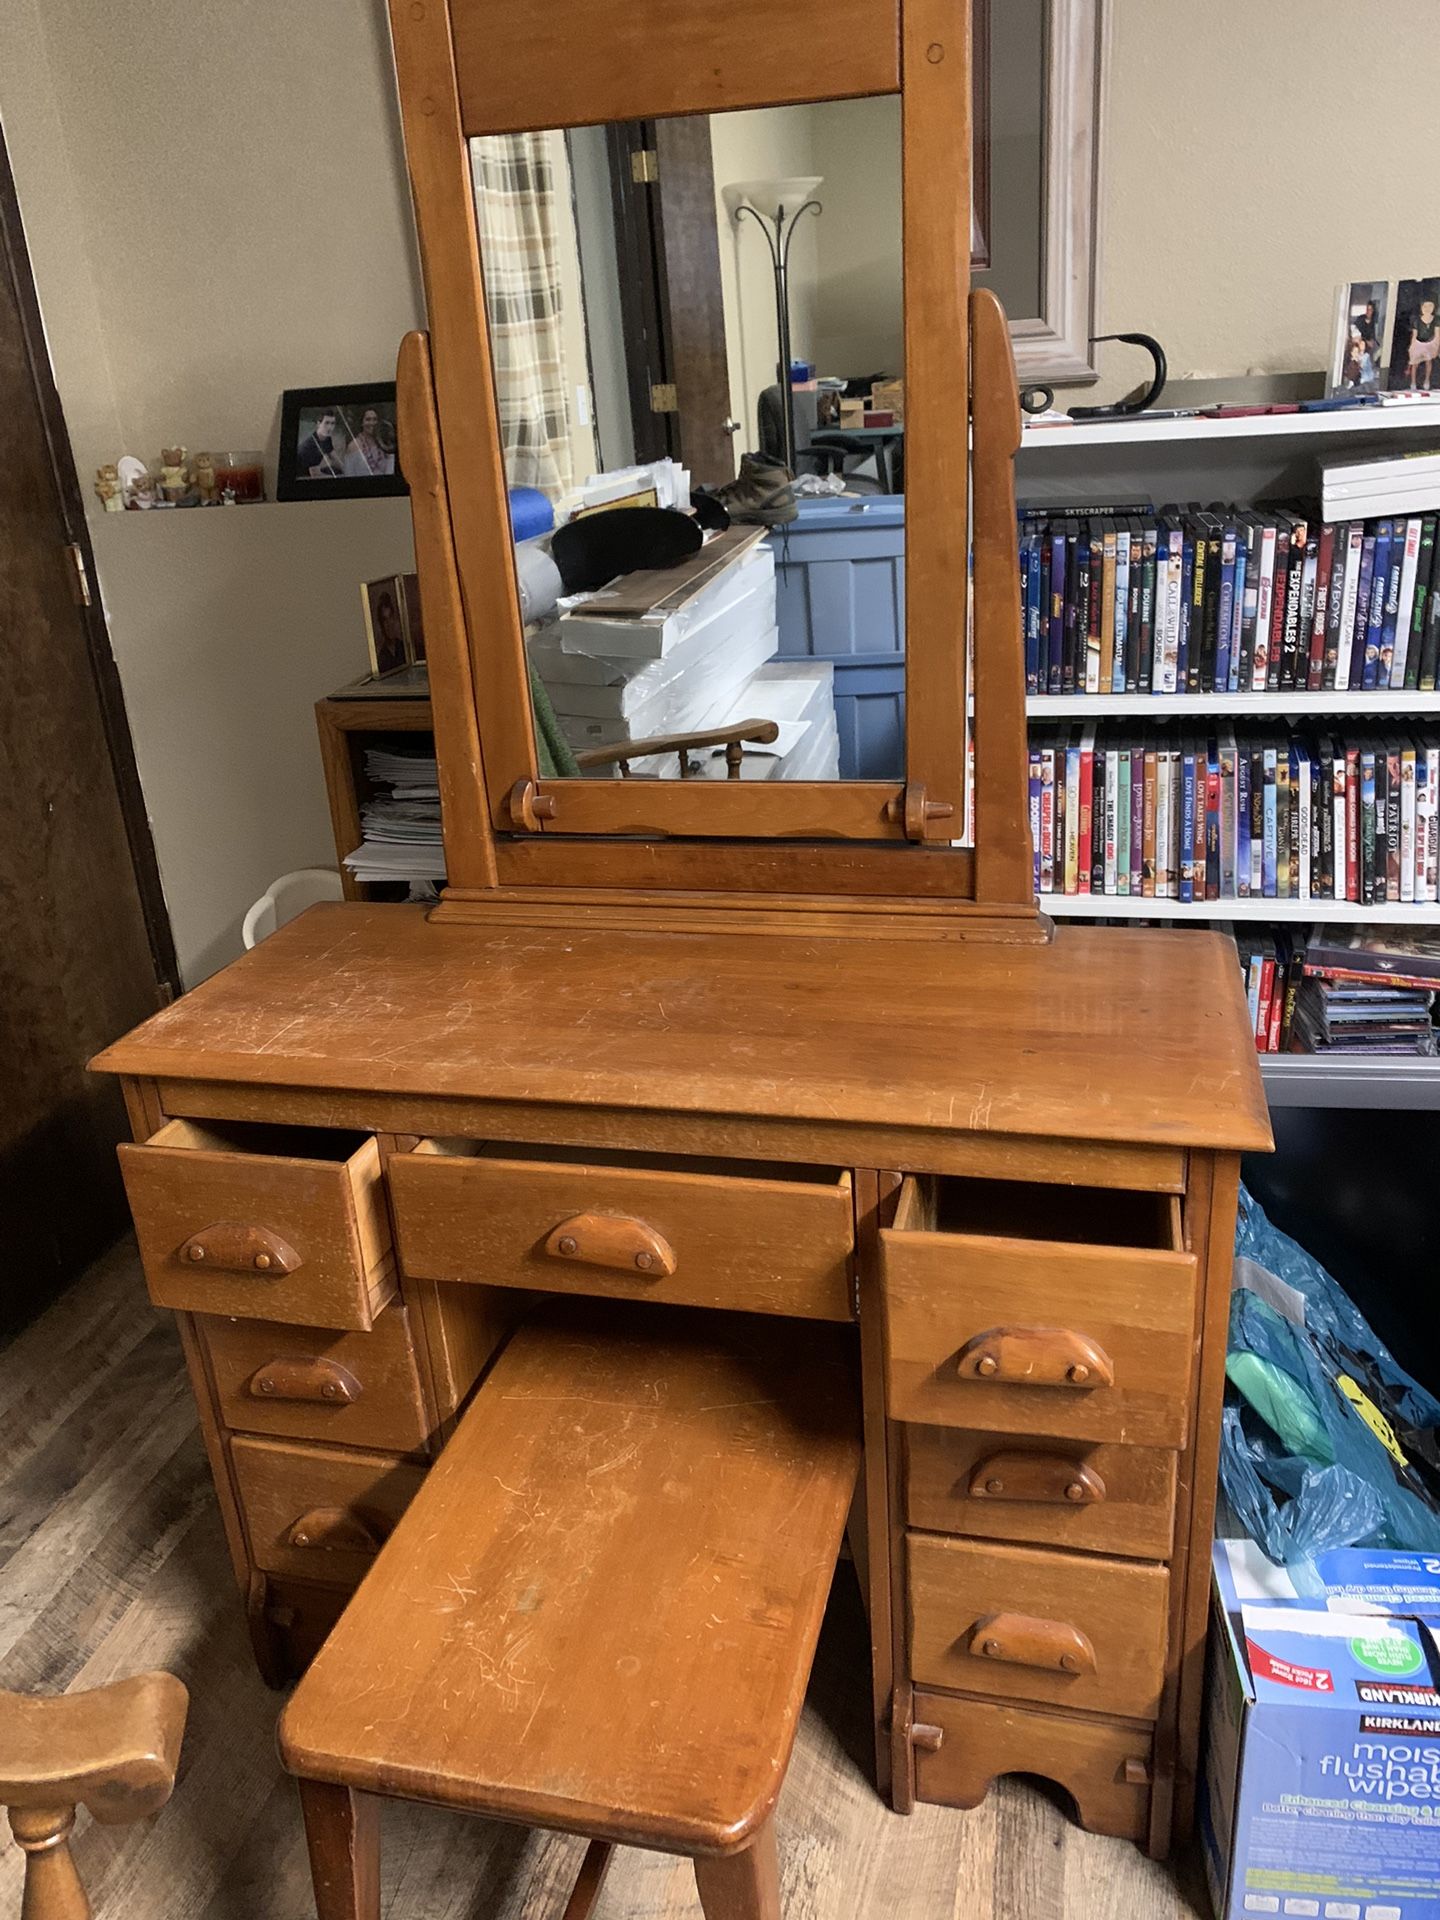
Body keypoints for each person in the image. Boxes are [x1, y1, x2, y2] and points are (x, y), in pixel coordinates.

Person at [342, 406, 396, 477]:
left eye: (375, 419)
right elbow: (349, 474)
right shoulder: (353, 446)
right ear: (362, 423)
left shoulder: (385, 444)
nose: (372, 423)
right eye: (368, 419)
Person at [295, 408, 343, 479]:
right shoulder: (310, 445)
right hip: (301, 476)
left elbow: (335, 458)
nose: (330, 427)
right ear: (319, 424)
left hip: (312, 472)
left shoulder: (326, 438)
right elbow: (315, 474)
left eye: (332, 423)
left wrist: (348, 471)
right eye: (326, 423)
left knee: (338, 470)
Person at [1407, 297, 1439, 391]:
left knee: (1428, 362)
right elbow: (1414, 335)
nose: (1427, 309)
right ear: (1421, 308)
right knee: (1414, 363)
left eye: (1430, 306)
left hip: (1430, 343)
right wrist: (1412, 347)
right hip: (1418, 342)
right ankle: (1413, 382)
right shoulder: (1417, 320)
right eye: (1425, 306)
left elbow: (1437, 335)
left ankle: (1427, 381)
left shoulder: (1436, 320)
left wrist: (1437, 347)